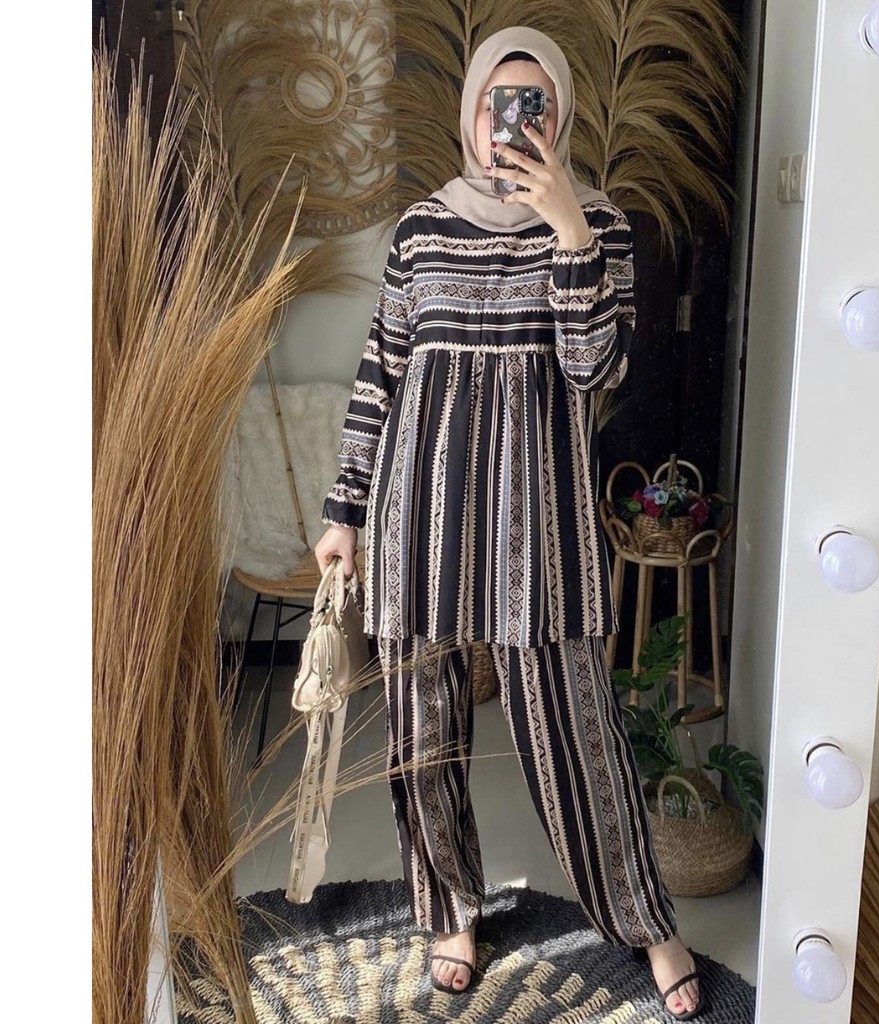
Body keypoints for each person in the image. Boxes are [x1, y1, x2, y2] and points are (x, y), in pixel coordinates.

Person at [314, 25, 705, 1021]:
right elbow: (380, 375)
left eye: (536, 105)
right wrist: (345, 509)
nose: (513, 122)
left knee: (579, 741)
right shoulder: (420, 229)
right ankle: (449, 913)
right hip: (419, 519)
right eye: (499, 102)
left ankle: (647, 924)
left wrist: (569, 229)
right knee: (423, 735)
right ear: (472, 112)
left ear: (560, 117)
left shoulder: (601, 223)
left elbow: (595, 371)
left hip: (543, 527)